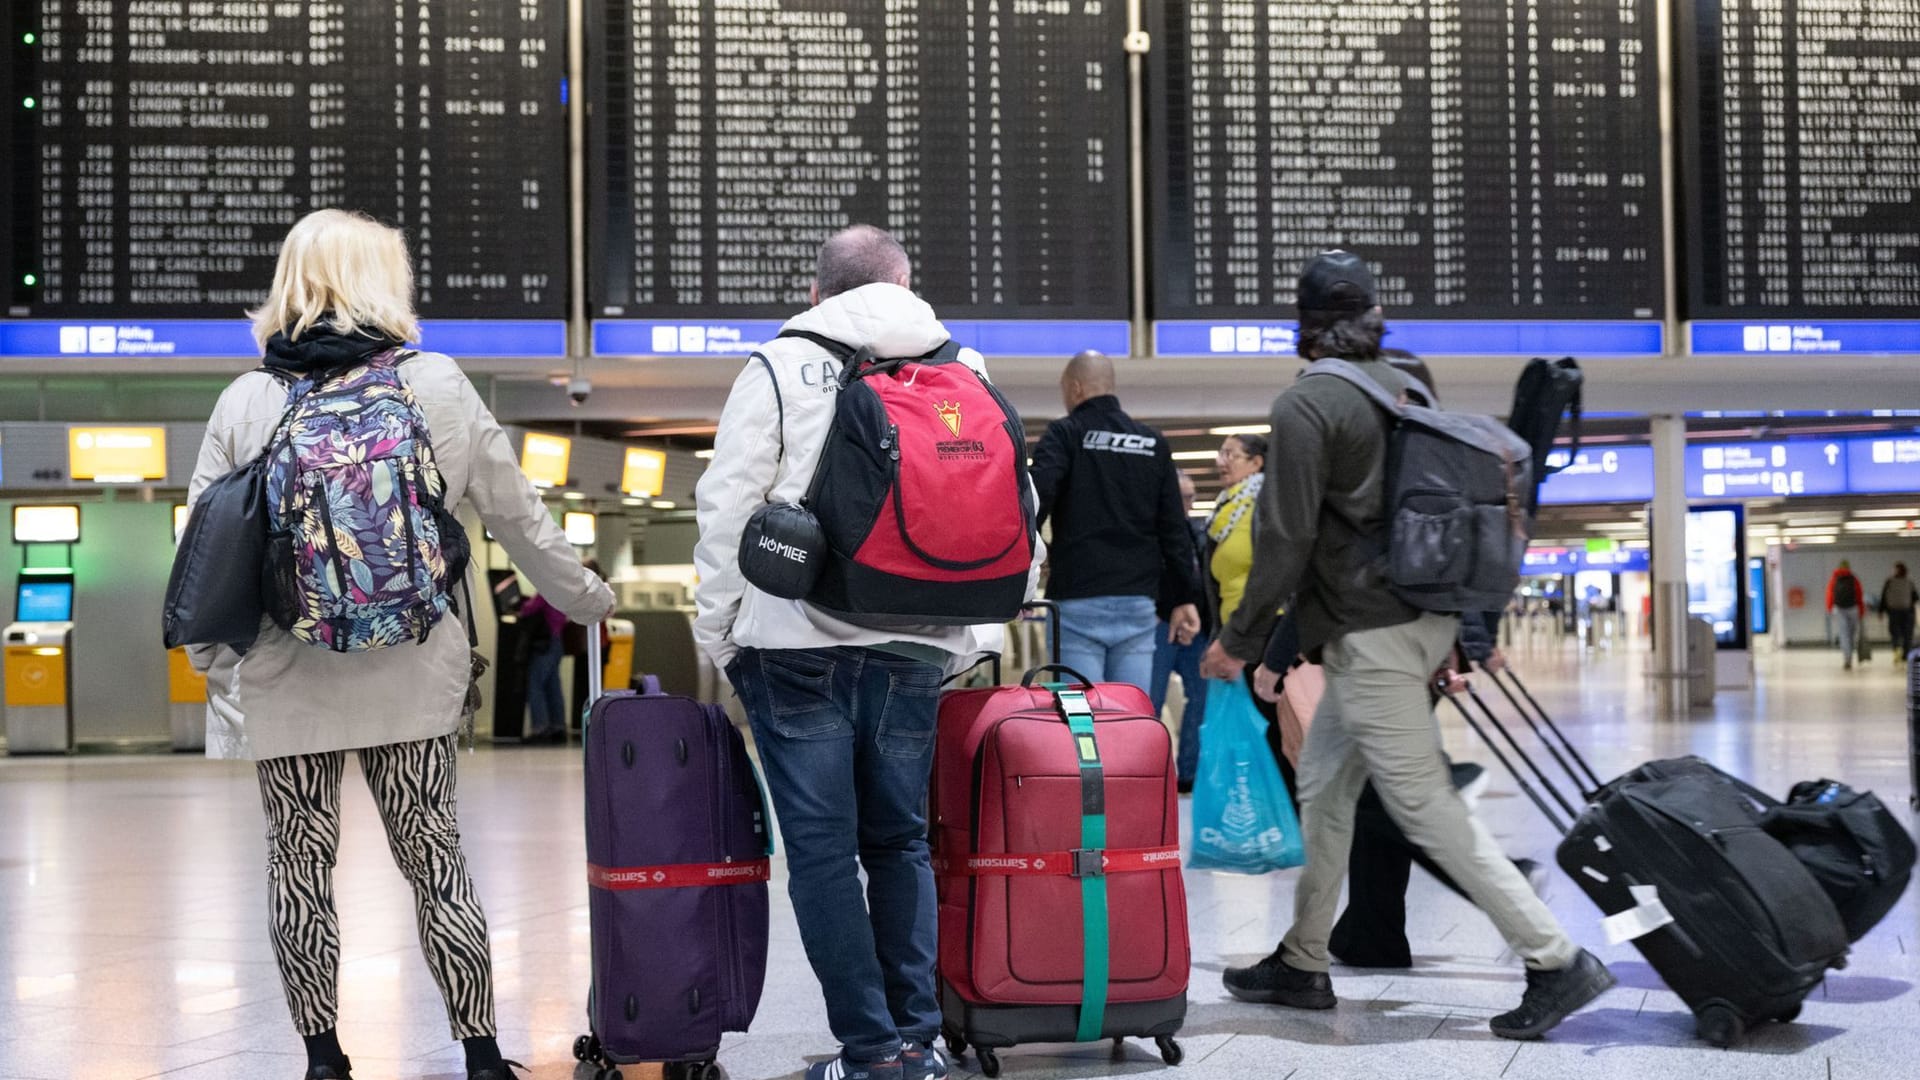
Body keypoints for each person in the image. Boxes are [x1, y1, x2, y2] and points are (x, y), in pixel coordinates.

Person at [188, 209, 614, 1080]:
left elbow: (201, 552)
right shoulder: (440, 385)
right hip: (413, 668)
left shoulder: (248, 398)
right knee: (435, 861)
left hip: (286, 672)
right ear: (389, 279)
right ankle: (485, 1054)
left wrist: (221, 671)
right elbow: (517, 516)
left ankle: (322, 1060)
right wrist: (588, 599)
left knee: (298, 866)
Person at [1202, 250, 1612, 1041]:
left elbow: (1285, 537)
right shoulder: (1405, 387)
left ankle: (1555, 957)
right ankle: (1303, 958)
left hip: (1373, 638)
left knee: (1423, 807)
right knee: (1324, 789)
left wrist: (1241, 641)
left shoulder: (1308, 404)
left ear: (1305, 326)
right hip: (1410, 624)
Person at [693, 225, 1042, 1080]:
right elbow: (1013, 509)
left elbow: (728, 504)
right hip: (917, 648)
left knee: (821, 852)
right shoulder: (968, 369)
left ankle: (871, 1050)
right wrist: (973, 637)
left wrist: (720, 637)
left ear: (820, 293)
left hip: (790, 644)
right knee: (900, 844)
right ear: (906, 282)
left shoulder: (778, 363)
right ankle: (919, 1042)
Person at [1029, 350, 1202, 692]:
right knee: (1130, 714)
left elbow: (1035, 501)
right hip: (1137, 603)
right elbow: (1174, 528)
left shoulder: (1066, 433)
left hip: (1077, 601)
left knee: (1083, 720)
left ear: (1076, 388)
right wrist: (1184, 596)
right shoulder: (1152, 442)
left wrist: (1032, 556)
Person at [1150, 472, 1211, 792]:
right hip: (1158, 625)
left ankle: (1188, 773)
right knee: (1151, 702)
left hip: (1195, 628)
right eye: (1183, 497)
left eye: (1191, 497)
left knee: (1201, 699)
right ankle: (1151, 778)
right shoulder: (1150, 531)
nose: (1188, 504)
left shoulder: (1196, 530)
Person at [517, 590, 568, 743]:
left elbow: (527, 609)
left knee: (536, 684)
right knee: (553, 686)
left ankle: (540, 728)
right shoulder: (560, 591)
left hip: (545, 643)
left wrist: (521, 606)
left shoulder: (547, 591)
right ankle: (558, 726)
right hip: (557, 641)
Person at [1829, 560, 1867, 670]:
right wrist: (1861, 610)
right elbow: (1860, 594)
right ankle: (1850, 654)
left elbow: (1830, 593)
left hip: (1840, 609)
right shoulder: (1854, 578)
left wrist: (1830, 607)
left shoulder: (1835, 578)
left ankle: (1847, 658)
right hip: (1853, 608)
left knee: (1843, 634)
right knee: (1851, 634)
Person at [1880, 562, 1915, 661]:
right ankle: (1905, 655)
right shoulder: (1909, 581)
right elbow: (1915, 597)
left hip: (1894, 611)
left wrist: (1881, 611)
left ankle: (1897, 652)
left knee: (1895, 633)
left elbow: (1884, 597)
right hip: (1907, 611)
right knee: (1907, 634)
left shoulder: (1890, 581)